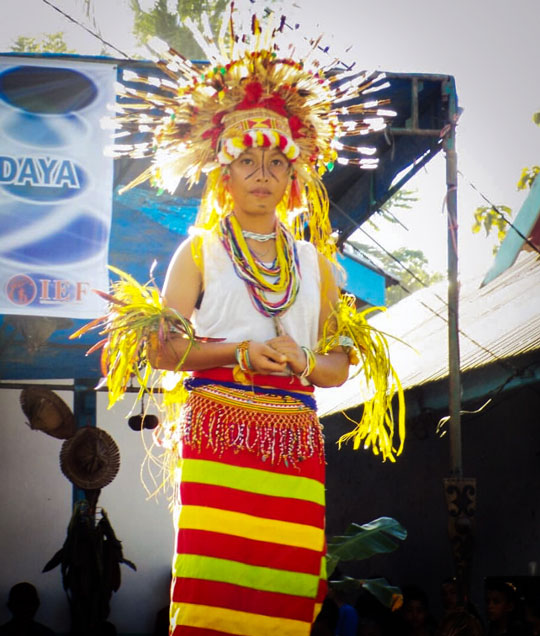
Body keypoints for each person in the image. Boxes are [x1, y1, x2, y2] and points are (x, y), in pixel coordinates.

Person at [86, 4, 404, 634]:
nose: (263, 175)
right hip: (218, 432)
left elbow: (337, 367)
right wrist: (236, 355)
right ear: (223, 171)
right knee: (213, 591)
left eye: (277, 163)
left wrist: (302, 361)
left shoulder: (318, 263)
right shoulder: (198, 249)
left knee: (284, 594)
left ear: (294, 174)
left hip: (292, 437)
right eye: (248, 162)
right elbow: (161, 351)